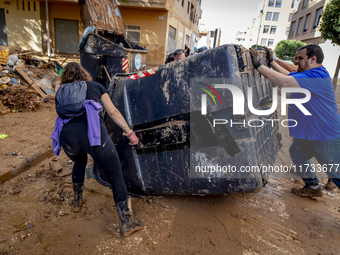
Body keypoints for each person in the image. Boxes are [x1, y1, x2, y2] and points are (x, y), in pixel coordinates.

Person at [51, 62, 143, 236]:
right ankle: (127, 223)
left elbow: (62, 116)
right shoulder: (95, 86)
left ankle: (77, 202)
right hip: (92, 133)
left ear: (65, 77)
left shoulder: (61, 92)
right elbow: (113, 112)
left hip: (67, 136)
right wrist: (129, 132)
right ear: (83, 74)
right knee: (115, 175)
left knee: (78, 164)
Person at [249, 44, 340, 198]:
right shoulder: (309, 74)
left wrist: (258, 65)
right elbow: (288, 75)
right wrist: (271, 62)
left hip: (325, 135)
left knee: (336, 173)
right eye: (296, 58)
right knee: (297, 153)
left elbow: (284, 82)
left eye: (300, 58)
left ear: (313, 59)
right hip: (311, 133)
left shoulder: (316, 76)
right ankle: (313, 186)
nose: (296, 62)